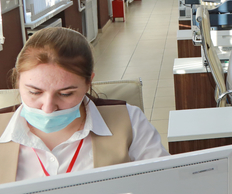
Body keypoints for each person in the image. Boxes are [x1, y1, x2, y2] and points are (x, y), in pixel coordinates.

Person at [0, 28, 168, 183]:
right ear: (18, 80)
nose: (48, 108)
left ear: (88, 83)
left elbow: (164, 184)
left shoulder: (129, 121)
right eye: (34, 92)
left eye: (66, 94)